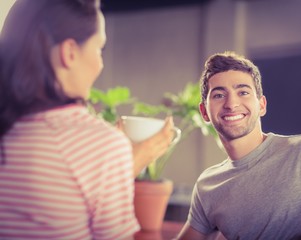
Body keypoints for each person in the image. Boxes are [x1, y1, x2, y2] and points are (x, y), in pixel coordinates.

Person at [0, 0, 174, 239]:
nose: (100, 64)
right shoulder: (102, 145)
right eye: (99, 48)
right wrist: (118, 158)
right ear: (69, 53)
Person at [177, 51, 301, 240]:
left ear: (262, 105)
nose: (231, 104)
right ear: (204, 112)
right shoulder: (207, 185)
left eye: (243, 92)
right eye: (219, 95)